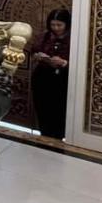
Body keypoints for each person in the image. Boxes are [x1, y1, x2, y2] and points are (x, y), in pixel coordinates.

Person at [30, 8, 71, 139]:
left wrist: (64, 62)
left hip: (63, 80)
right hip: (43, 77)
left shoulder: (74, 38)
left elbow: (81, 62)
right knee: (43, 109)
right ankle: (45, 136)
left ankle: (59, 137)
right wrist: (39, 56)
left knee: (59, 110)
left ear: (67, 24)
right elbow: (33, 51)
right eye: (53, 25)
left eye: (59, 25)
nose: (56, 28)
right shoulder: (44, 36)